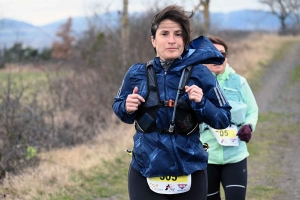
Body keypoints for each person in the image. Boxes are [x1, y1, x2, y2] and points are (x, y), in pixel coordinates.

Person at [112, 5, 232, 200]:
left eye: (178, 34)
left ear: (185, 40)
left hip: (190, 168)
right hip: (145, 167)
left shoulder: (200, 73)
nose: (171, 40)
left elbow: (224, 118)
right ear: (153, 40)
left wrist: (202, 103)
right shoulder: (137, 73)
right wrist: (126, 106)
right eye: (164, 34)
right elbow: (119, 108)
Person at [199, 36, 259, 200]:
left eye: (222, 54)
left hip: (235, 155)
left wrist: (248, 126)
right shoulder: (194, 84)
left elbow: (252, 111)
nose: (218, 58)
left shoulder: (239, 82)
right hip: (206, 157)